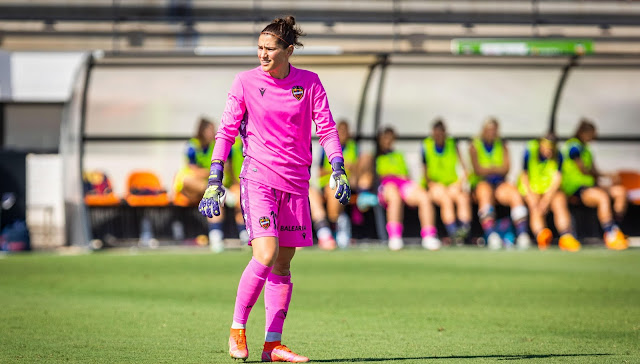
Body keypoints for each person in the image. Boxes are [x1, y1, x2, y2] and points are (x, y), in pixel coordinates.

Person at [198, 16, 350, 363]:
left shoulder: (309, 83)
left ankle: (272, 345)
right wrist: (214, 180)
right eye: (259, 48)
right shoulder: (245, 82)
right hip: (258, 180)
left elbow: (326, 128)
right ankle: (237, 329)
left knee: (283, 265)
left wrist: (338, 168)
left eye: (269, 49)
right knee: (265, 254)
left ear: (288, 51)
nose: (262, 54)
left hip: (296, 183)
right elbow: (225, 132)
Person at [561, 119, 628, 250]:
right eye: (592, 133)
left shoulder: (587, 149)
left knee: (620, 191)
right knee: (602, 197)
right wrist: (606, 175)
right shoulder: (573, 146)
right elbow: (584, 169)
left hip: (590, 185)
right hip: (576, 188)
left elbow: (594, 171)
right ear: (584, 133)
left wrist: (608, 178)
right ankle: (610, 235)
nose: (594, 137)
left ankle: (615, 229)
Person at [375, 126, 442, 251]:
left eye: (390, 138)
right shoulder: (374, 156)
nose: (388, 141)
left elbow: (406, 175)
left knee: (424, 197)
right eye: (385, 138)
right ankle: (394, 237)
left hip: (403, 183)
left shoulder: (399, 155)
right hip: (386, 185)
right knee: (395, 197)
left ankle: (429, 236)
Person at [469, 117, 531, 250]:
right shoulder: (475, 145)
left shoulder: (502, 144)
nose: (492, 132)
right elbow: (478, 170)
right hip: (482, 184)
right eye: (489, 129)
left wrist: (489, 169)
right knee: (485, 194)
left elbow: (506, 168)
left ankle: (522, 234)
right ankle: (491, 235)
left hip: (499, 183)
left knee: (514, 193)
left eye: (494, 130)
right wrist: (495, 169)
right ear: (484, 130)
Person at [518, 133, 582, 251]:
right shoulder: (530, 151)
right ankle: (541, 235)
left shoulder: (559, 155)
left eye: (551, 149)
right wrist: (531, 196)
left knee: (560, 201)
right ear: (541, 144)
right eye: (547, 148)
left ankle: (566, 236)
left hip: (550, 191)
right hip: (532, 189)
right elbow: (524, 175)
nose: (549, 151)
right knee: (534, 205)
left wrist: (546, 201)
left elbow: (557, 179)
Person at [172, 117, 225, 252]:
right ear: (202, 130)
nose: (213, 132)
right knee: (193, 182)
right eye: (210, 129)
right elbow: (193, 171)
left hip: (206, 187)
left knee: (214, 195)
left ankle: (216, 237)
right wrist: (210, 172)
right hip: (188, 188)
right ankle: (224, 193)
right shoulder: (192, 145)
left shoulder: (215, 145)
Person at [309, 120, 359, 249]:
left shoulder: (354, 148)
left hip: (346, 186)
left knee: (336, 190)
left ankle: (336, 226)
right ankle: (324, 231)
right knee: (310, 194)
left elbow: (357, 168)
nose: (342, 134)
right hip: (326, 184)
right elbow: (319, 170)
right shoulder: (326, 147)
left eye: (345, 131)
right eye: (339, 131)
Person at [421, 119, 472, 245]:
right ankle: (453, 233)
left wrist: (459, 183)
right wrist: (434, 185)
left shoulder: (452, 144)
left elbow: (465, 169)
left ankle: (464, 230)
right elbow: (425, 173)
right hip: (435, 185)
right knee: (446, 199)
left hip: (452, 184)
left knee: (462, 198)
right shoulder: (426, 146)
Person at [227, 137, 249, 244]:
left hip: (253, 184)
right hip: (237, 184)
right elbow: (229, 168)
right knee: (240, 200)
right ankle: (244, 234)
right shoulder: (234, 147)